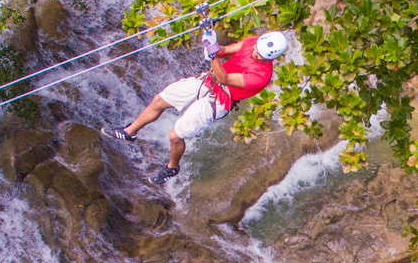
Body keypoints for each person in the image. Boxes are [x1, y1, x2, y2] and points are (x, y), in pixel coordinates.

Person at [100, 30, 289, 184]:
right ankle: (129, 132)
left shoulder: (261, 77)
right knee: (159, 100)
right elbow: (224, 51)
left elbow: (224, 78)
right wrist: (212, 43)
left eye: (260, 55)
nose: (255, 53)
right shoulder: (253, 42)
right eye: (256, 49)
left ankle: (172, 167)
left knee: (175, 135)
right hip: (208, 80)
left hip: (221, 99)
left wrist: (212, 53)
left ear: (270, 58)